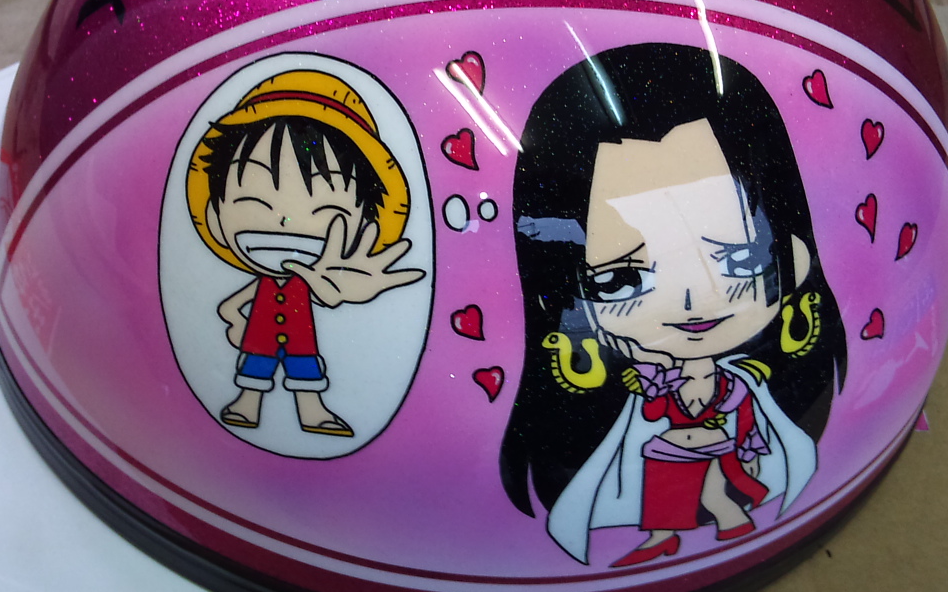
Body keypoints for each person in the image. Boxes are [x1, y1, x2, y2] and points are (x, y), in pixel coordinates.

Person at [499, 42, 846, 565]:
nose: (690, 300)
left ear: (795, 254)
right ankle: (670, 530)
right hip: (673, 449)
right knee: (664, 478)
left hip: (717, 445)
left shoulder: (744, 385)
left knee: (706, 479)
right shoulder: (641, 396)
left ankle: (715, 519)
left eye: (737, 258)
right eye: (621, 279)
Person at [186, 68, 424, 439]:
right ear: (216, 218)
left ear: (365, 223)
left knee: (305, 372)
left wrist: (344, 287)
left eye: (326, 213)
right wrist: (234, 320)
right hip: (261, 337)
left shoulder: (310, 280)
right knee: (255, 370)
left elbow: (328, 293)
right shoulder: (266, 280)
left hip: (301, 338)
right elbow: (230, 305)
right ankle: (247, 405)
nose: (284, 222)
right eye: (254, 204)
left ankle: (313, 412)